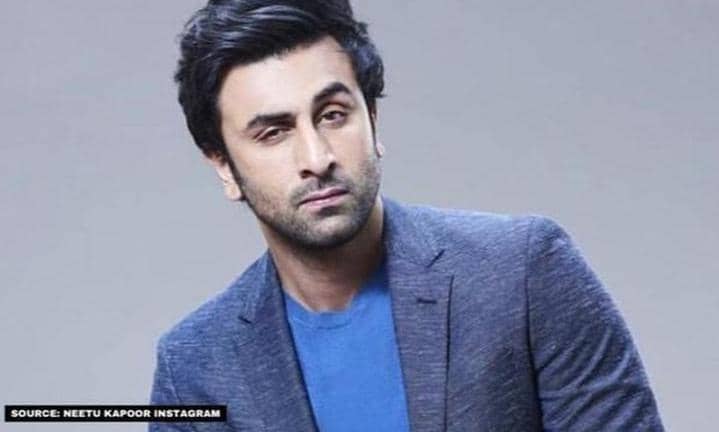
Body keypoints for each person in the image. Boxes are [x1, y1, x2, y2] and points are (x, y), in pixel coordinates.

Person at [149, 1, 665, 430]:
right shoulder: (195, 365)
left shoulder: (524, 274)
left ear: (372, 119)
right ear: (224, 166)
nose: (317, 157)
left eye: (333, 115)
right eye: (273, 133)